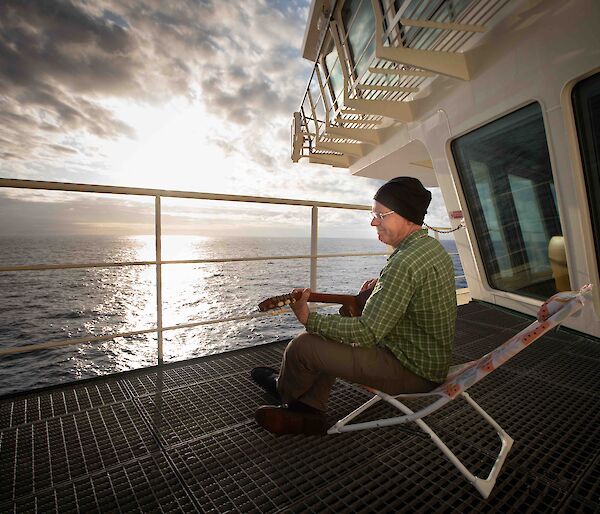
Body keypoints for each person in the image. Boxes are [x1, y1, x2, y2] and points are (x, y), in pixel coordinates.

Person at [251, 176, 457, 435]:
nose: (373, 222)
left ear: (405, 214)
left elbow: (367, 332)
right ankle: (309, 410)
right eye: (373, 215)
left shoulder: (404, 262)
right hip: (428, 360)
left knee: (303, 345)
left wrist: (308, 319)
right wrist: (379, 290)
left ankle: (284, 390)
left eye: (381, 215)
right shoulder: (431, 249)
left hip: (412, 371)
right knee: (335, 332)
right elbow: (409, 300)